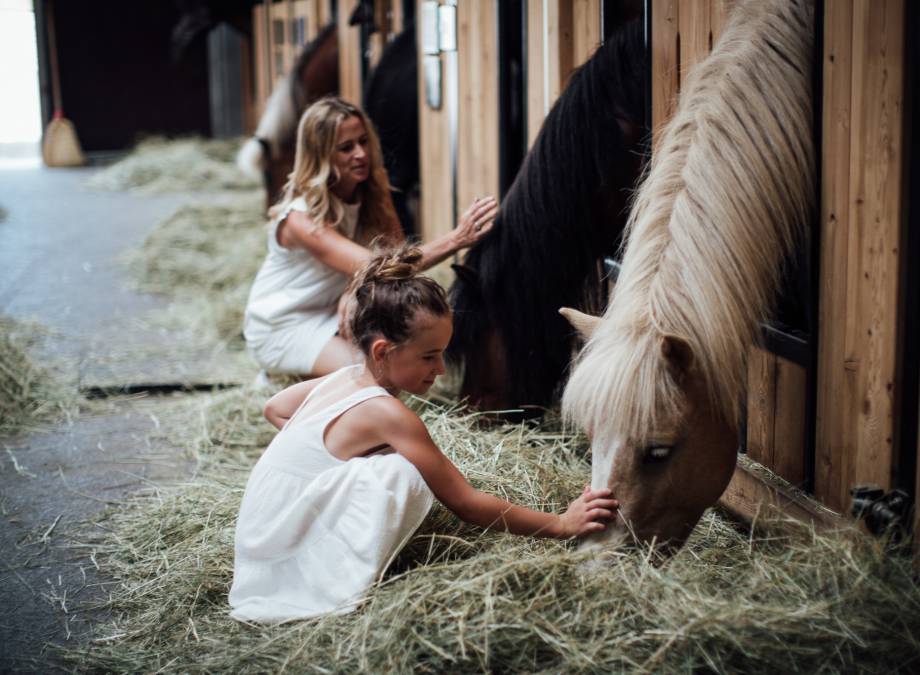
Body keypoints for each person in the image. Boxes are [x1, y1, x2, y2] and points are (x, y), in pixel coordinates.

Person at [229, 247, 619, 623]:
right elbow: (465, 502)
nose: (441, 371)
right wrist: (561, 525)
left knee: (380, 461)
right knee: (400, 472)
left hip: (258, 542)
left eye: (442, 354)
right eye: (428, 356)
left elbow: (275, 407)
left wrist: (332, 463)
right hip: (280, 560)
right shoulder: (387, 414)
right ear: (382, 351)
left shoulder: (346, 377)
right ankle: (332, 584)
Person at [244, 96, 498, 377]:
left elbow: (396, 268)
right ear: (322, 155)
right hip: (282, 324)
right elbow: (376, 264)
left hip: (332, 317)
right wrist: (456, 238)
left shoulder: (372, 192)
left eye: (363, 141)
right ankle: (292, 377)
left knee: (394, 359)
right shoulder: (299, 219)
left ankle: (313, 373)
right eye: (346, 148)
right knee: (370, 373)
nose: (360, 154)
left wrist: (353, 289)